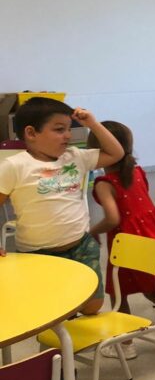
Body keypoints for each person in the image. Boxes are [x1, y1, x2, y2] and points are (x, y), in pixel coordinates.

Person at [0, 97, 124, 315]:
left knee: (92, 305)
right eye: (59, 129)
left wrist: (93, 124)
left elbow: (117, 153)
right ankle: (60, 346)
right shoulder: (14, 166)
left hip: (81, 246)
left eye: (68, 129)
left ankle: (72, 338)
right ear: (31, 133)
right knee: (52, 310)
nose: (67, 135)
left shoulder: (75, 157)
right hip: (39, 255)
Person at [88, 121, 155, 358]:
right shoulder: (137, 171)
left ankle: (126, 345)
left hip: (128, 243)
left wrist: (93, 231)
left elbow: (112, 218)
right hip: (154, 234)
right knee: (151, 287)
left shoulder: (105, 184)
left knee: (118, 292)